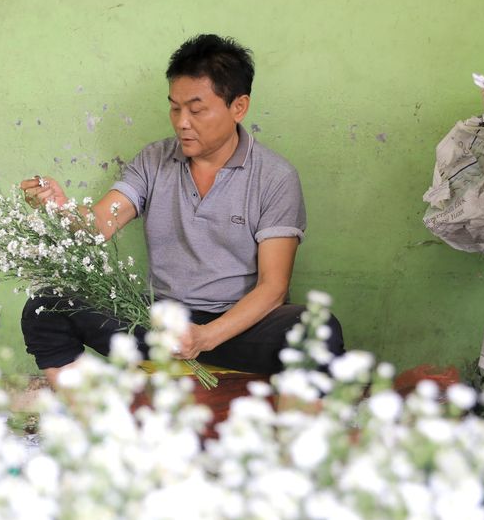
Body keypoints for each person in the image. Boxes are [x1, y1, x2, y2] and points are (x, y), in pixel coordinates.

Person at [19, 34, 343, 388]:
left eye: (197, 109)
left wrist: (204, 337)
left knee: (318, 330)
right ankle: (97, 425)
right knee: (46, 306)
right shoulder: (153, 160)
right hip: (161, 324)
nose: (182, 122)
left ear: (239, 107)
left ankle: (292, 440)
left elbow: (273, 288)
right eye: (175, 107)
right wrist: (59, 208)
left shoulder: (275, 177)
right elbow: (98, 225)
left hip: (237, 327)